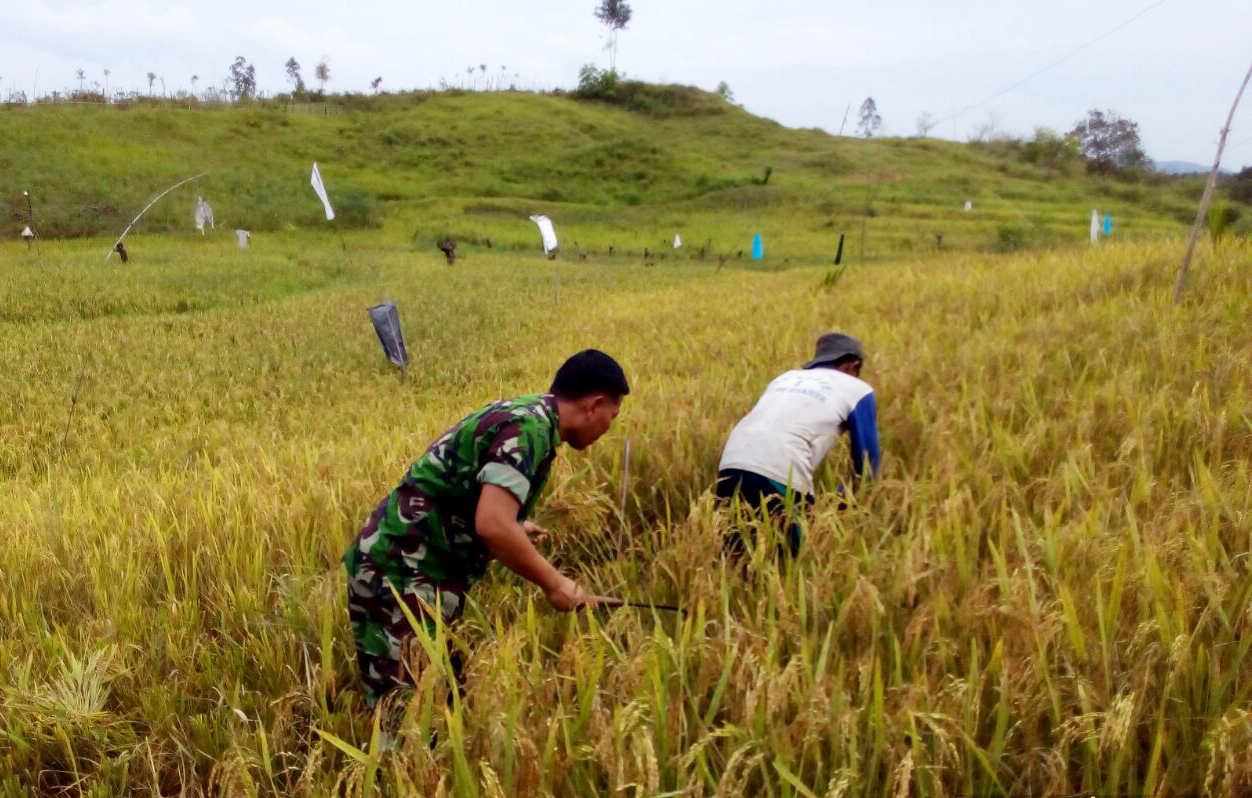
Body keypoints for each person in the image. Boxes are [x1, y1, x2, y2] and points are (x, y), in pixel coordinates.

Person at [343, 349, 629, 706]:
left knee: (444, 698)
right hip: (399, 575)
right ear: (593, 405)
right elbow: (493, 525)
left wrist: (515, 523)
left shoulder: (529, 415)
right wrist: (556, 584)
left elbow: (473, 490)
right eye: (612, 417)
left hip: (417, 570)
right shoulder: (529, 430)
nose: (608, 427)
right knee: (408, 710)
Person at [716, 332, 880, 556]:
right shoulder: (857, 388)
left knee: (735, 559)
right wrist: (835, 507)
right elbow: (867, 466)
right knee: (794, 563)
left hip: (731, 464)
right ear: (852, 366)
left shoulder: (785, 377)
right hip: (781, 469)